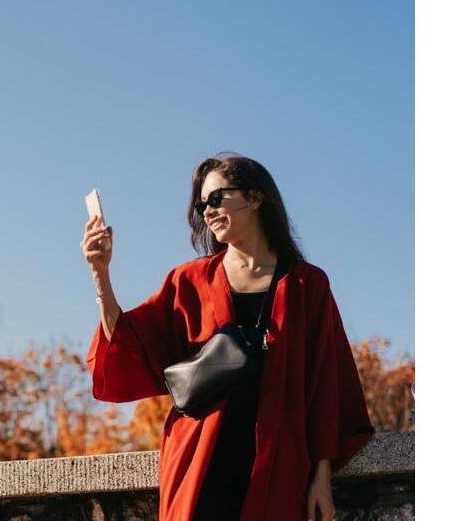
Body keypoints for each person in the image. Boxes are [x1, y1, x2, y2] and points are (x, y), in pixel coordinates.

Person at [81, 152, 374, 521]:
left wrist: (322, 476)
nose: (207, 211)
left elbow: (328, 384)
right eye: (202, 204)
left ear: (255, 197)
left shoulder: (306, 285)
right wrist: (100, 276)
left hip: (276, 466)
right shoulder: (188, 281)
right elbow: (129, 347)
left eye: (217, 198)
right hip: (199, 463)